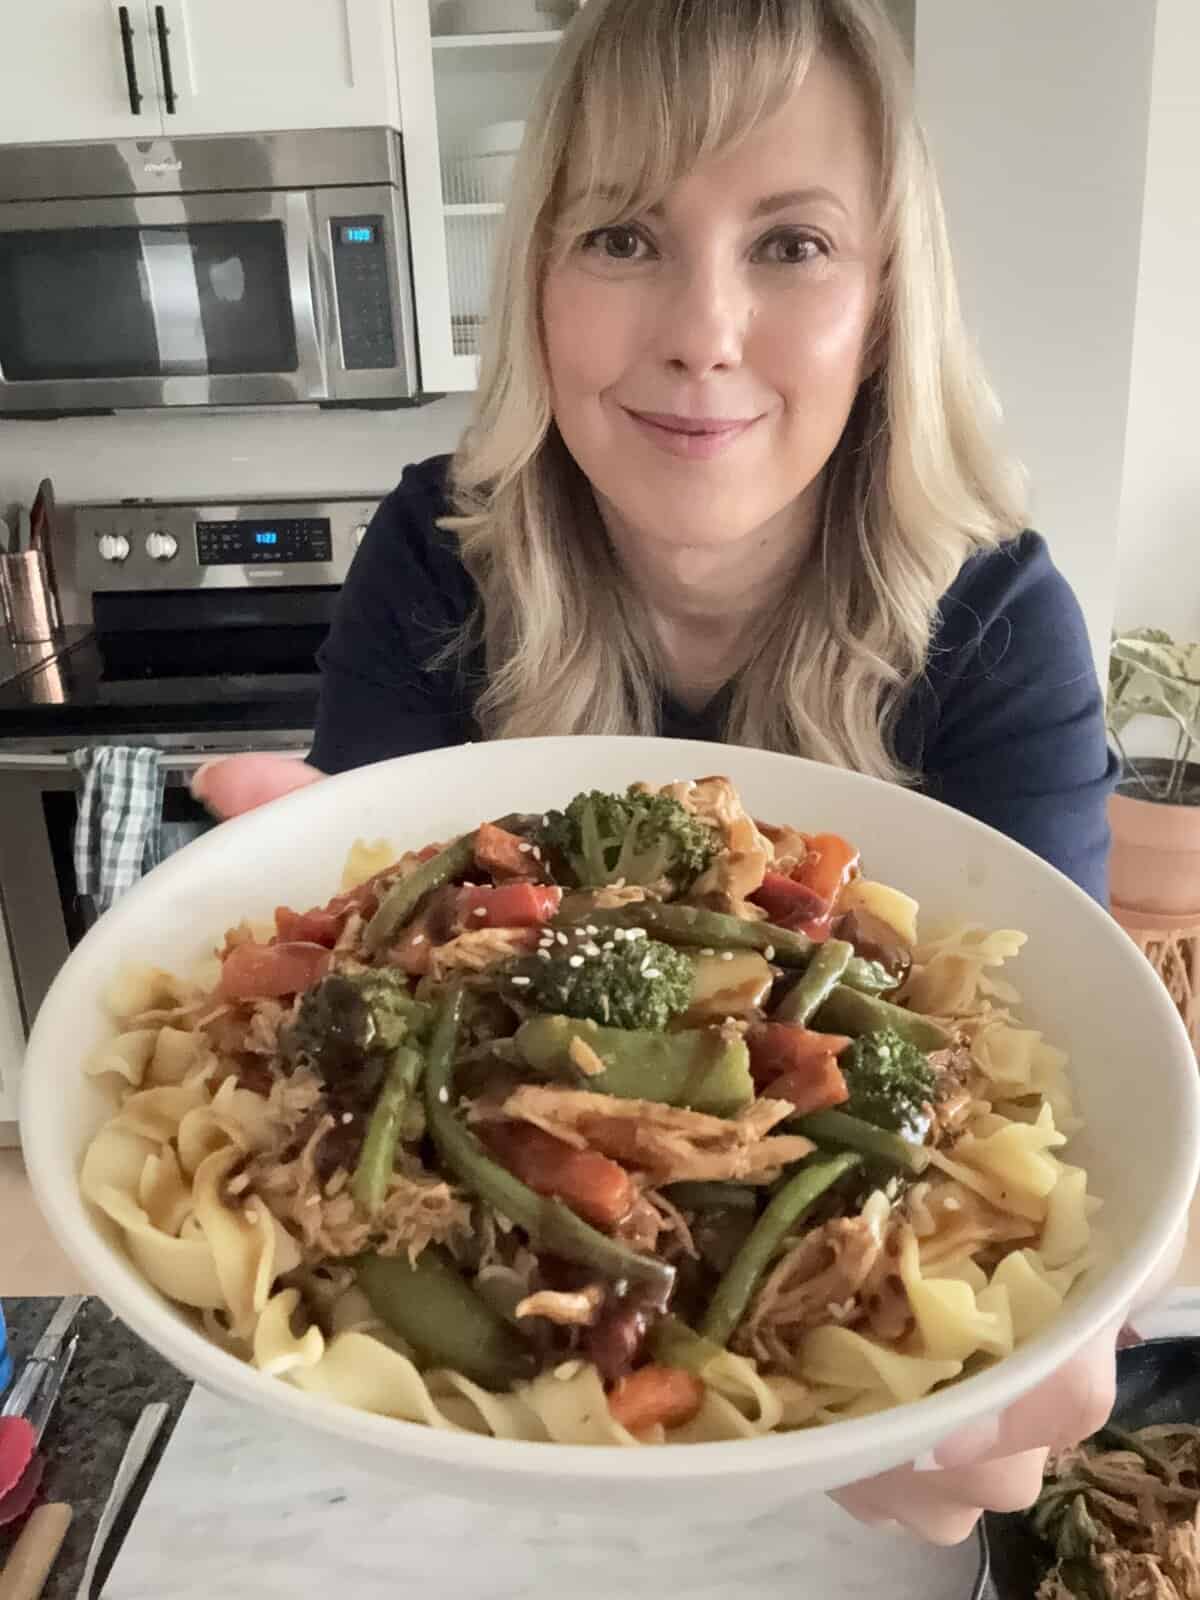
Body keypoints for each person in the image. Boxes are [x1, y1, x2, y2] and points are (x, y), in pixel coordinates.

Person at [194, 0, 1149, 1547]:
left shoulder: (995, 623)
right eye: (625, 236)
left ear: (886, 297)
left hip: (846, 1498)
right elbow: (361, 954)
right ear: (540, 285)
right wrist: (312, 954)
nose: (704, 329)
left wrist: (1029, 1336)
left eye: (791, 244)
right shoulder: (439, 562)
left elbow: (1068, 1080)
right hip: (447, 1481)